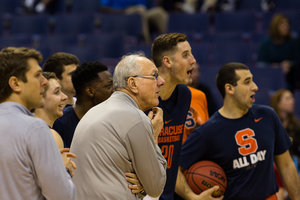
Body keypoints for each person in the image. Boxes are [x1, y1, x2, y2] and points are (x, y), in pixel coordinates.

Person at [176, 62, 300, 200]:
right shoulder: (207, 132)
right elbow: (173, 170)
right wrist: (192, 197)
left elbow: (287, 166)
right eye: (247, 82)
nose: (255, 87)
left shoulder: (268, 115)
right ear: (229, 88)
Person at [70, 53, 167, 199]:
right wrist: (153, 137)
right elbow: (156, 187)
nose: (161, 81)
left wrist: (142, 184)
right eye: (154, 76)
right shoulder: (135, 117)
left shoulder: (94, 111)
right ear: (133, 84)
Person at [147, 32, 221, 200]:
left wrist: (192, 197)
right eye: (186, 55)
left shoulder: (185, 94)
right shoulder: (142, 98)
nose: (193, 60)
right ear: (167, 61)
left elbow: (171, 160)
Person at [0, 47, 75, 200]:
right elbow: (63, 196)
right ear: (15, 83)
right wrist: (62, 168)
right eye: (37, 75)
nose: (44, 81)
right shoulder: (35, 128)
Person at [53, 61, 113, 148]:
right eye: (108, 86)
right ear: (90, 91)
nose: (114, 90)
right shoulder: (60, 123)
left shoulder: (110, 120)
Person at [34, 71, 76, 176]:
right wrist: (65, 170)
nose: (64, 97)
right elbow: (55, 186)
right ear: (39, 97)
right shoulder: (50, 135)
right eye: (57, 92)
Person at [257, 13, 300, 92]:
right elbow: (261, 63)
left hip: (289, 77)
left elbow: (297, 60)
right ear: (275, 27)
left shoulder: (293, 42)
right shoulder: (265, 43)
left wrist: (289, 64)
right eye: (283, 24)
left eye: (287, 24)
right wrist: (273, 67)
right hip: (270, 76)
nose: (286, 27)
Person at [270, 89, 300, 200]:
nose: (292, 101)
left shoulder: (296, 126)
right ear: (277, 102)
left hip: (293, 165)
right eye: (287, 98)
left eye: (292, 98)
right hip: (272, 167)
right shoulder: (268, 123)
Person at [99, 0, 168, 43]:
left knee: (159, 12)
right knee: (140, 10)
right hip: (122, 14)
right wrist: (123, 11)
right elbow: (103, 8)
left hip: (144, 13)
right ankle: (146, 43)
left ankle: (169, 42)